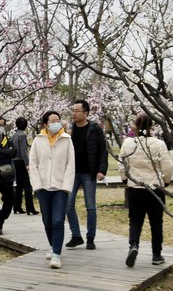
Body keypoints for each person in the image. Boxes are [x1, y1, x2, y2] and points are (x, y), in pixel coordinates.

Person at [119, 113, 173, 267]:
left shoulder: (128, 143)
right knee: (156, 222)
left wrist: (125, 179)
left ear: (135, 126)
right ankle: (156, 255)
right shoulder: (159, 144)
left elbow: (121, 164)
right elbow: (167, 166)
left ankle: (134, 245)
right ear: (151, 127)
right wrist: (166, 181)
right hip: (155, 188)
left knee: (135, 220)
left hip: (135, 187)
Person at [29, 110, 75, 269]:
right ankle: (52, 244)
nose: (56, 123)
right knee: (47, 221)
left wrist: (66, 186)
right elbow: (33, 164)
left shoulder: (67, 140)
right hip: (43, 187)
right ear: (45, 124)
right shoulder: (38, 140)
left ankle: (56, 254)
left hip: (60, 188)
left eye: (58, 120)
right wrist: (37, 186)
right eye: (52, 120)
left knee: (58, 221)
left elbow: (71, 165)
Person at [65, 99, 108, 250]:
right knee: (68, 204)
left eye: (77, 111)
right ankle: (76, 235)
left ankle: (91, 238)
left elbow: (103, 150)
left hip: (89, 173)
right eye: (73, 110)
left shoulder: (95, 128)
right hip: (73, 173)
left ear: (86, 113)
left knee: (90, 206)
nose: (73, 113)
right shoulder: (71, 129)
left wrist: (102, 170)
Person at [11, 116, 38, 215]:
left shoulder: (14, 135)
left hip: (14, 161)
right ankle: (30, 208)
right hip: (20, 161)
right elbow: (23, 151)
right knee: (27, 186)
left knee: (18, 185)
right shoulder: (22, 136)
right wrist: (27, 163)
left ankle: (16, 206)